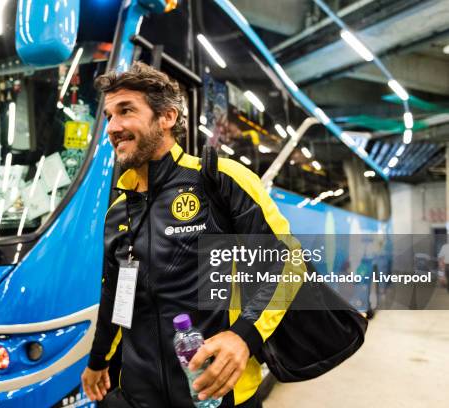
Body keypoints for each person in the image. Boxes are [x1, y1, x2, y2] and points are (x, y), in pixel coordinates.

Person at [81, 62, 296, 408]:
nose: (113, 127)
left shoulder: (218, 181)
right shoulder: (119, 210)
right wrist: (97, 362)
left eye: (126, 111)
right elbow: (114, 296)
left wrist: (244, 337)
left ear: (166, 117)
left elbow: (286, 262)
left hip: (215, 396)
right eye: (108, 116)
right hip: (138, 396)